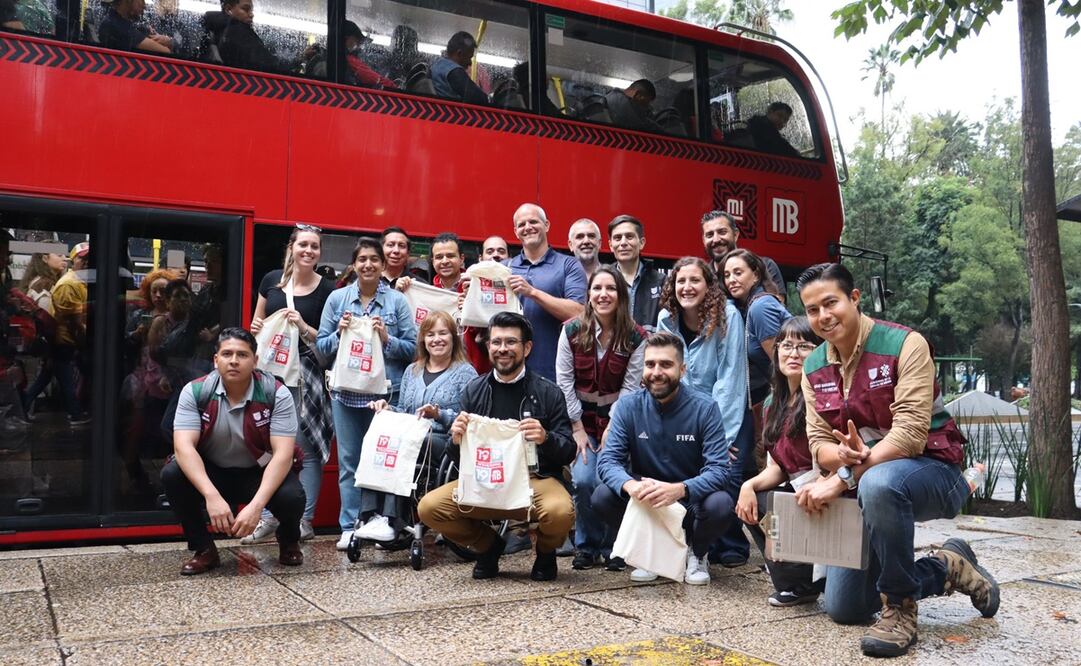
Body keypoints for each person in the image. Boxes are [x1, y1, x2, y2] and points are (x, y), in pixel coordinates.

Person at [795, 263, 998, 658]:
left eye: (830, 303)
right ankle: (947, 565)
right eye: (812, 309)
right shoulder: (813, 366)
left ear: (854, 299)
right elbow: (818, 442)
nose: (823, 316)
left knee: (878, 482)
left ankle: (900, 609)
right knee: (846, 607)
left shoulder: (906, 345)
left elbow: (909, 435)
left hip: (935, 471)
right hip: (867, 484)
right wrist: (842, 455)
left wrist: (844, 476)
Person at [418, 312, 576, 581]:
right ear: (488, 346)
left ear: (526, 347)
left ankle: (546, 551)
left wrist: (545, 438)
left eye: (511, 342)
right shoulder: (473, 390)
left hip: (532, 481)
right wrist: (456, 439)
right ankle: (489, 546)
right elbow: (458, 458)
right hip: (485, 480)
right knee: (429, 507)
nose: (503, 349)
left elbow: (568, 449)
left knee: (560, 511)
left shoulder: (548, 392)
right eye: (496, 342)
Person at [161, 328, 305, 575]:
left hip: (258, 471)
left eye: (242, 354)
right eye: (227, 354)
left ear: (255, 360)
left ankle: (289, 538)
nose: (234, 361)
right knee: (172, 474)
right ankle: (204, 549)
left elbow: (283, 454)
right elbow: (183, 447)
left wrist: (257, 506)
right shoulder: (196, 391)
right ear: (215, 360)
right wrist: (211, 496)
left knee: (293, 496)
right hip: (214, 471)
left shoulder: (276, 393)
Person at [594, 332, 734, 585]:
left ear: (682, 369)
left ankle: (697, 553)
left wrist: (680, 489)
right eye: (650, 364)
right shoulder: (628, 406)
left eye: (666, 365)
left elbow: (719, 469)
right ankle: (651, 554)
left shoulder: (705, 408)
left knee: (721, 504)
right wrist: (632, 486)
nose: (656, 372)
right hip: (647, 500)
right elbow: (608, 462)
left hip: (689, 498)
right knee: (602, 496)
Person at [317, 238, 417, 549]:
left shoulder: (397, 302)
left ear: (383, 264)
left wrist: (387, 338)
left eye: (374, 259)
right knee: (349, 461)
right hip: (345, 393)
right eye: (362, 259)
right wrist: (339, 334)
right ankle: (351, 525)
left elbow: (413, 350)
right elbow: (320, 349)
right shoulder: (337, 300)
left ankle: (384, 524)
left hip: (386, 395)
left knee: (384, 459)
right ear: (354, 264)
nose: (368, 265)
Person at [243, 225, 335, 544]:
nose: (308, 251)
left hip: (305, 378)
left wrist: (304, 325)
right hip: (270, 376)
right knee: (268, 447)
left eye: (314, 247)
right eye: (303, 245)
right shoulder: (271, 281)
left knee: (305, 449)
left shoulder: (328, 290)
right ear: (291, 248)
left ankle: (304, 520)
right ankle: (268, 517)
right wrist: (255, 325)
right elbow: (255, 328)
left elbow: (327, 342)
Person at [656, 257, 748, 567]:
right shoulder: (666, 321)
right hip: (682, 414)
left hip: (724, 414)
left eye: (695, 280)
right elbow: (665, 374)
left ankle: (731, 544)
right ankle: (690, 541)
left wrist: (720, 439)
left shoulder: (728, 317)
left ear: (709, 286)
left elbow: (730, 379)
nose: (687, 287)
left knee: (726, 473)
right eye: (681, 281)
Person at [555, 267, 646, 571]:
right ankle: (586, 546)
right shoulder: (570, 330)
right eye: (597, 289)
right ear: (589, 294)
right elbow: (564, 382)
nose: (603, 294)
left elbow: (631, 388)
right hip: (580, 422)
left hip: (618, 422)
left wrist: (613, 431)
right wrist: (577, 428)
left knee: (606, 481)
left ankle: (613, 547)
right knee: (582, 480)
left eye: (611, 289)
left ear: (621, 296)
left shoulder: (636, 336)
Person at [363, 311, 478, 541]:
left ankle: (391, 520)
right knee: (377, 439)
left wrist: (440, 414)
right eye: (430, 334)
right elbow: (405, 412)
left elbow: (471, 420)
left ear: (453, 338)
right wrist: (387, 408)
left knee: (407, 444)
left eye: (443, 333)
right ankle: (371, 516)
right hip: (411, 435)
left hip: (444, 440)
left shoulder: (466, 373)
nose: (437, 339)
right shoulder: (412, 371)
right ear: (423, 340)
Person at [735, 316, 824, 607]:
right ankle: (796, 582)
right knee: (754, 499)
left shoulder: (824, 397)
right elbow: (776, 468)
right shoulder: (773, 403)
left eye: (804, 346)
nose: (793, 353)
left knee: (846, 605)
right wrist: (747, 485)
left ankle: (814, 576)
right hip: (798, 494)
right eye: (786, 345)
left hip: (828, 495)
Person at [503, 203, 587, 382]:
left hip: (555, 371)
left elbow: (579, 312)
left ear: (547, 225)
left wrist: (532, 292)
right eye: (521, 224)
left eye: (533, 221)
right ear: (516, 232)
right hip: (510, 371)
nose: (528, 227)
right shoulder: (504, 268)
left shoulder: (568, 265)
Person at [48, 241, 91, 425]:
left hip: (69, 340)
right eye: (83, 259)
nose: (88, 262)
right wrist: (86, 342)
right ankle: (75, 414)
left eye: (91, 258)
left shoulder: (82, 281)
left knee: (50, 376)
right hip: (65, 340)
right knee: (66, 378)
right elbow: (75, 322)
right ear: (74, 261)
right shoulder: (69, 284)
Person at [701, 210, 786, 301]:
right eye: (709, 235)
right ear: (703, 240)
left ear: (736, 234)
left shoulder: (764, 266)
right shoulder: (702, 277)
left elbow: (776, 308)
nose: (716, 239)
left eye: (722, 232)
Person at [218, 0, 314, 72]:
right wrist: (299, 59)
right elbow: (270, 65)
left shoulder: (227, 33)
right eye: (245, 9)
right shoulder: (238, 33)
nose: (251, 14)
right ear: (228, 9)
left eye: (251, 10)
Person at [606, 215, 664, 331]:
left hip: (649, 348)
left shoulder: (661, 282)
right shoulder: (603, 282)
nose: (623, 242)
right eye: (617, 238)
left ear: (641, 243)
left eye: (629, 237)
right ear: (611, 245)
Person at [430, 31, 488, 106]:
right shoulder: (455, 72)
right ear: (459, 54)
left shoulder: (437, 64)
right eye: (469, 58)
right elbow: (479, 98)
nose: (470, 63)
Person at [98, 0, 173, 54]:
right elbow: (166, 52)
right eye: (141, 0)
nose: (144, 5)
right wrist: (170, 43)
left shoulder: (115, 21)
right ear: (128, 1)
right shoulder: (116, 26)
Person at [342, 20, 396, 90]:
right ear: (347, 38)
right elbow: (372, 77)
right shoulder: (350, 59)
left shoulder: (342, 57)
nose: (357, 45)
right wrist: (394, 87)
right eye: (356, 40)